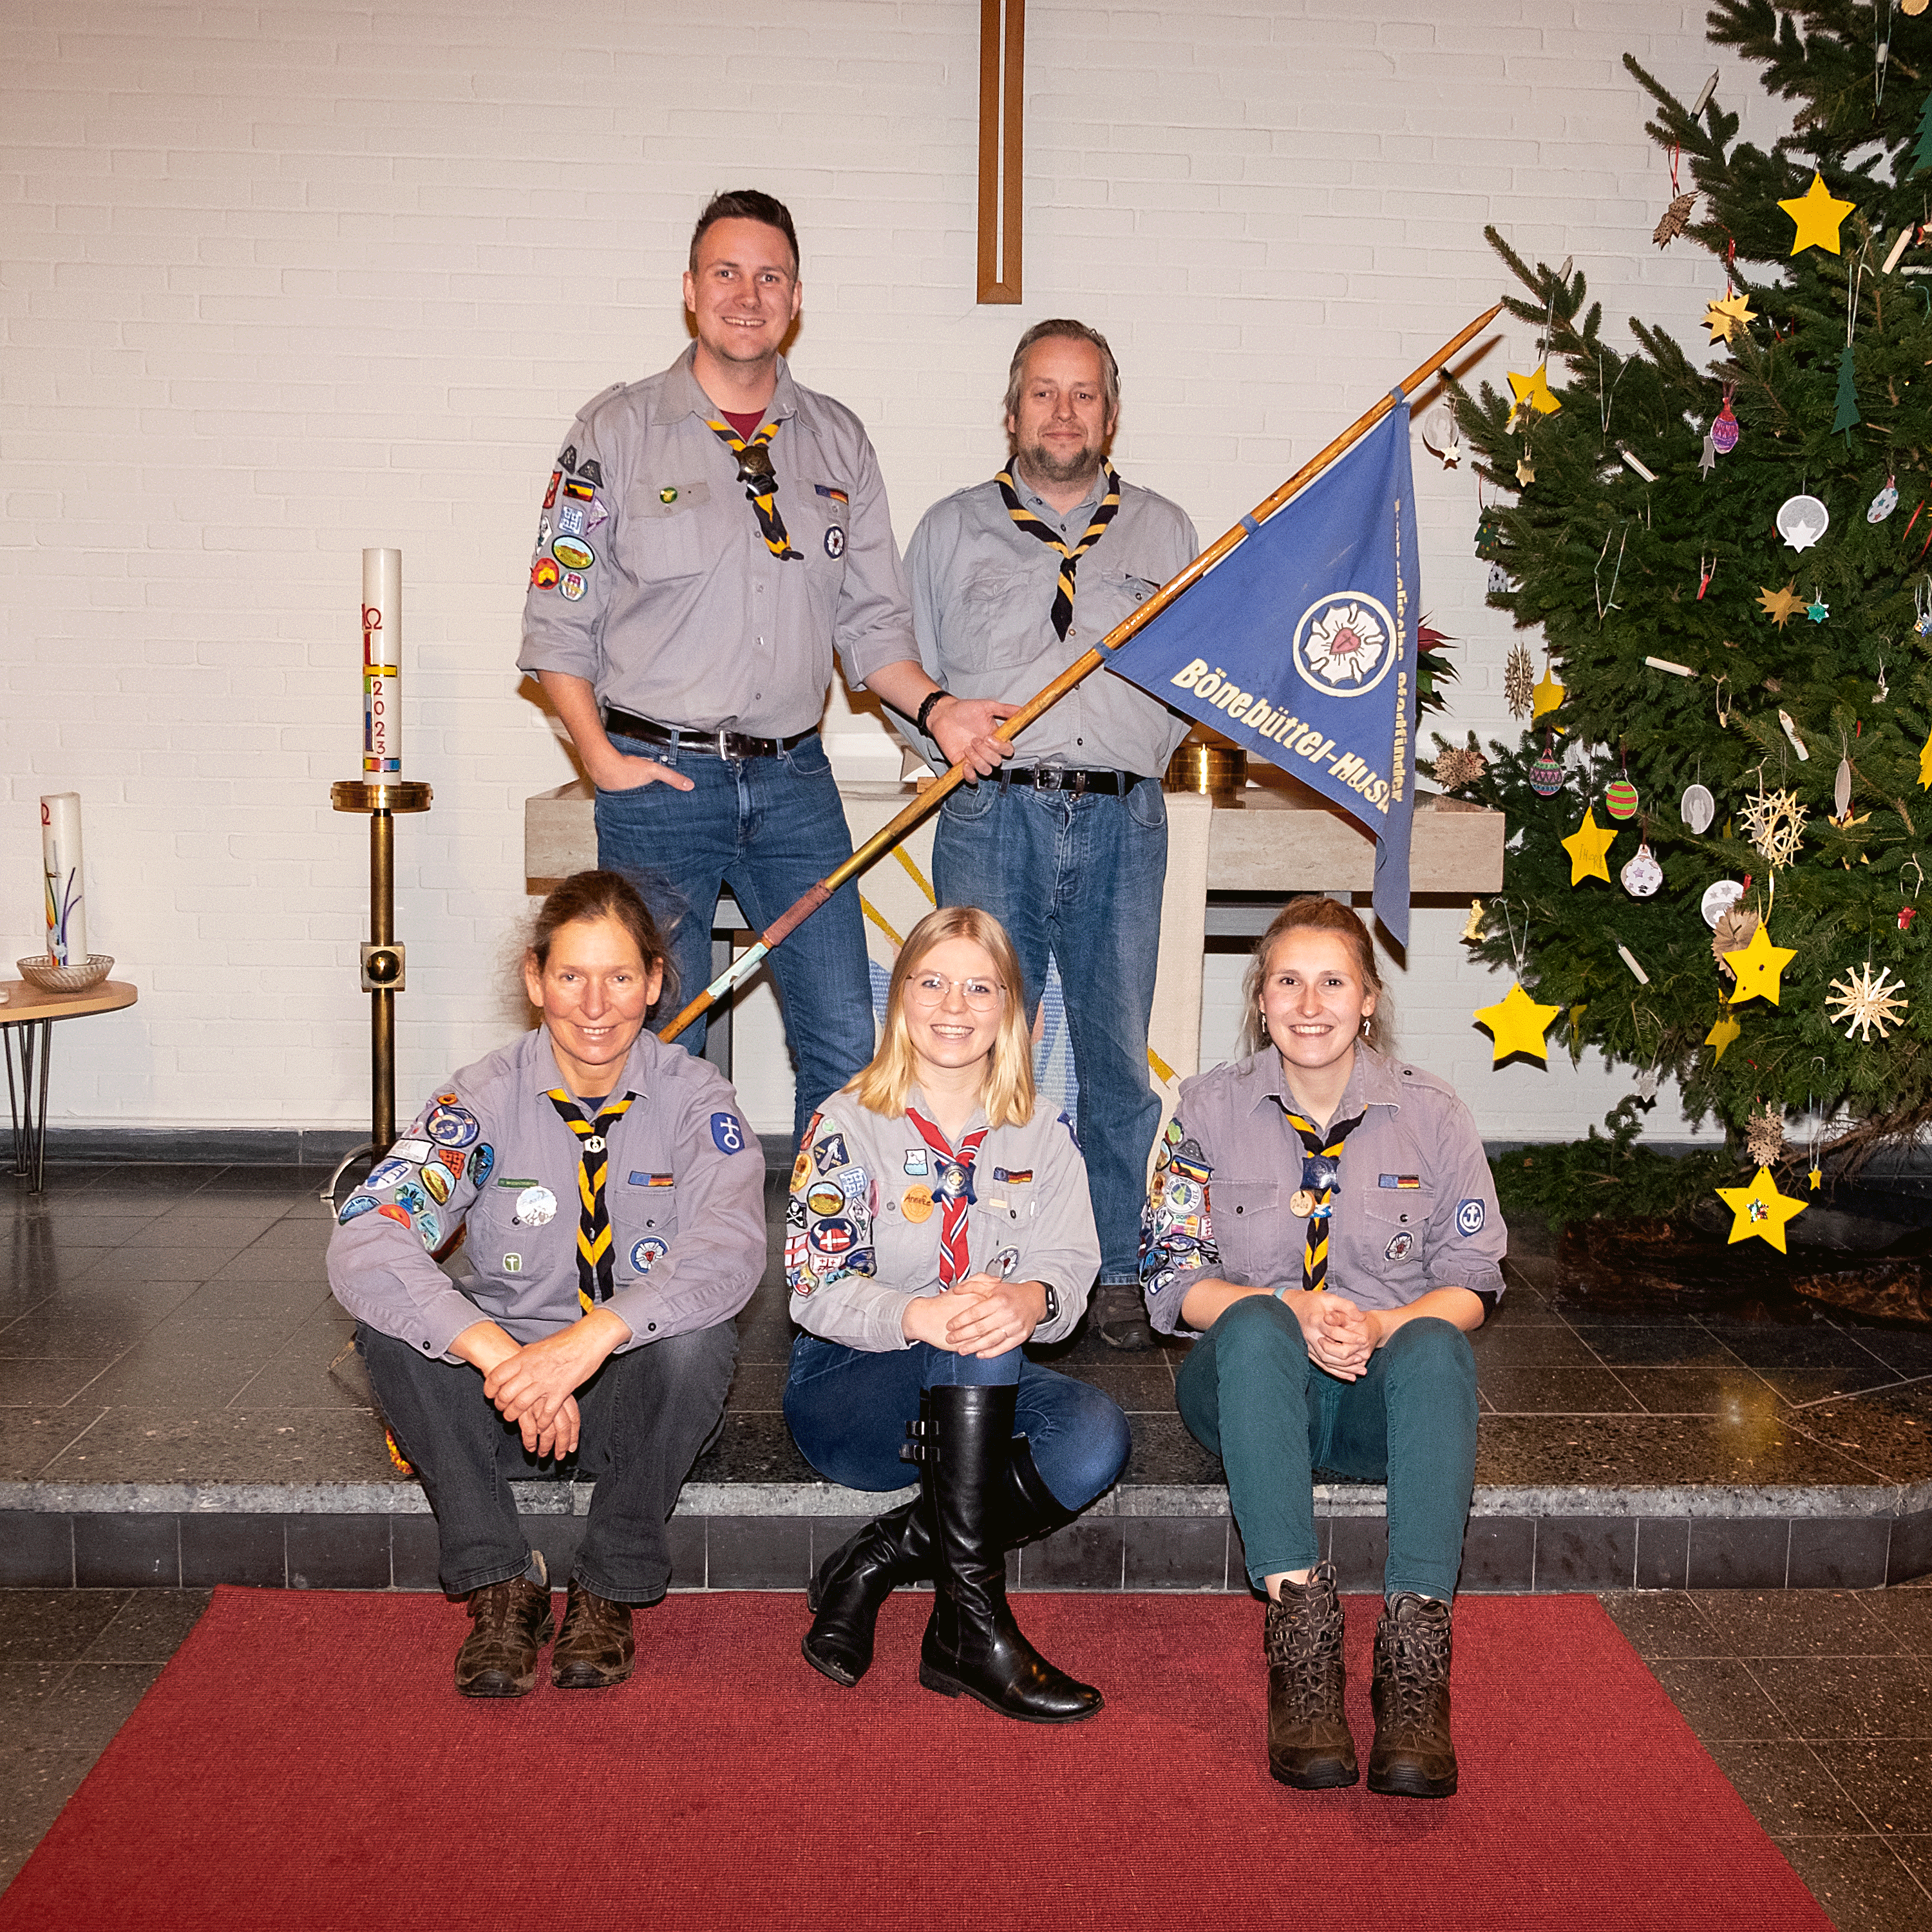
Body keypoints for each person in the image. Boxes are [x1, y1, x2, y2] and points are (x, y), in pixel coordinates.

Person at [518, 189, 1014, 1146]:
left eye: (770, 276)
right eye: (727, 272)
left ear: (796, 299)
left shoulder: (838, 440)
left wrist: (941, 709)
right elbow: (556, 619)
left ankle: (830, 1253)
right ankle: (662, 1252)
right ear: (692, 292)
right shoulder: (611, 434)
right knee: (661, 1035)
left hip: (795, 785)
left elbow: (875, 628)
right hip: (657, 782)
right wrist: (599, 758)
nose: (748, 294)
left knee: (843, 1032)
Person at [328, 871, 764, 1698]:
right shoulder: (481, 1099)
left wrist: (588, 1341)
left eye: (620, 978)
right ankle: (502, 1583)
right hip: (500, 1404)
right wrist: (502, 1359)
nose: (595, 1005)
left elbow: (731, 1252)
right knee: (391, 1326)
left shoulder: (696, 1099)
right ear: (535, 981)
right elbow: (365, 1236)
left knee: (697, 1340)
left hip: (626, 1402)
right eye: (571, 976)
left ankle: (608, 1586)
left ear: (657, 982)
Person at [1140, 896, 1505, 1797]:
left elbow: (1478, 1278)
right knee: (1257, 1320)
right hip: (1252, 1391)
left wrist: (1382, 1324)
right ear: (1261, 1001)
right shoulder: (1207, 1109)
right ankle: (1303, 1652)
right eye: (1288, 982)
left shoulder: (1434, 1113)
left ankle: (1415, 1664)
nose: (1311, 1003)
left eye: (1333, 981)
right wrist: (1289, 1306)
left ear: (1370, 998)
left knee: (1437, 1345)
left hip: (1381, 1397)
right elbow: (1169, 1278)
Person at [902, 318, 1198, 1352]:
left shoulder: (1166, 532)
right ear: (1013, 407)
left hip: (1123, 815)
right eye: (1043, 392)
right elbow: (911, 673)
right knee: (979, 1049)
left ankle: (1115, 1266)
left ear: (1111, 415)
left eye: (1084, 395)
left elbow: (1190, 683)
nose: (1062, 412)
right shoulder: (949, 530)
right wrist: (946, 725)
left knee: (1116, 1057)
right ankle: (986, 1261)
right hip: (994, 813)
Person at [782, 904, 1130, 1723]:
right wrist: (919, 1317)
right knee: (972, 1326)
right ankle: (974, 1627)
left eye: (981, 988)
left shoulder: (1043, 1134)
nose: (953, 1006)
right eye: (931, 982)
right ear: (899, 997)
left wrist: (1028, 1299)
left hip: (973, 1392)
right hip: (851, 1392)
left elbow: (1071, 1269)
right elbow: (814, 1286)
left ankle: (878, 1557)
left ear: (1012, 1008)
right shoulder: (844, 1123)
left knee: (1093, 1439)